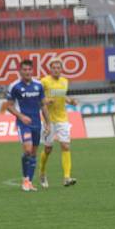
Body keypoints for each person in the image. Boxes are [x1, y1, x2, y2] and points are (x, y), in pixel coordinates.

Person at [6, 59, 50, 192]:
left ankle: (28, 181)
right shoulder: (14, 86)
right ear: (20, 71)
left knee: (33, 153)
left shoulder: (39, 85)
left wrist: (48, 123)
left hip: (37, 123)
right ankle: (26, 180)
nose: (27, 72)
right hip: (23, 124)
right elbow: (9, 106)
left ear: (32, 70)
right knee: (27, 149)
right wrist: (21, 116)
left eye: (29, 70)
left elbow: (43, 105)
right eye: (24, 70)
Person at [39, 59, 78, 188]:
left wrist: (70, 101)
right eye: (54, 67)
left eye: (58, 67)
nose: (56, 69)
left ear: (61, 69)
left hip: (62, 119)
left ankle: (67, 177)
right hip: (48, 119)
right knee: (48, 149)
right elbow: (39, 98)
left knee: (65, 146)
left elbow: (62, 96)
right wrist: (46, 101)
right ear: (50, 69)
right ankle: (42, 173)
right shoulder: (44, 81)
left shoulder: (64, 81)